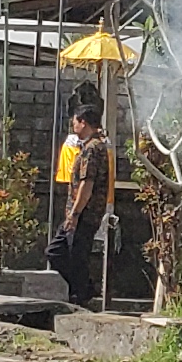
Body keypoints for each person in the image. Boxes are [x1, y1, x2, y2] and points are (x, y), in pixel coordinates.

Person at [48, 97, 112, 304]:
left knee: (68, 253)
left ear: (83, 122)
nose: (73, 124)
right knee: (68, 253)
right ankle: (82, 289)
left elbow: (87, 184)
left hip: (84, 213)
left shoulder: (93, 149)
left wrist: (74, 214)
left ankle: (82, 292)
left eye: (75, 121)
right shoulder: (91, 146)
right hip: (82, 212)